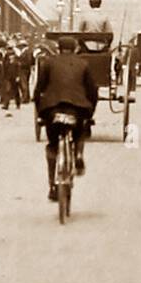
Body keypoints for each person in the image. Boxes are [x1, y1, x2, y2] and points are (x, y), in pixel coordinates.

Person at [34, 36, 99, 202]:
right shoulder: (83, 64)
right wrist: (89, 113)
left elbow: (39, 89)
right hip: (77, 108)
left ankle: (52, 186)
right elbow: (92, 91)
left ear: (58, 48)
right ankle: (77, 154)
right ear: (76, 48)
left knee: (52, 146)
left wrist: (40, 113)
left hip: (52, 108)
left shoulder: (48, 62)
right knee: (79, 134)